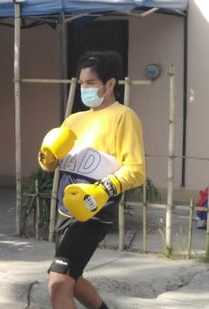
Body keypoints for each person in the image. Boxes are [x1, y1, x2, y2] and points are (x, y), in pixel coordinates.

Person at [38, 50, 146, 309]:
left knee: (58, 282)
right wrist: (48, 158)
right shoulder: (74, 119)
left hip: (93, 213)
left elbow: (136, 169)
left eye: (90, 83)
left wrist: (103, 189)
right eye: (82, 82)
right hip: (66, 210)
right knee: (71, 278)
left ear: (110, 84)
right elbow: (53, 163)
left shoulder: (124, 116)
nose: (84, 88)